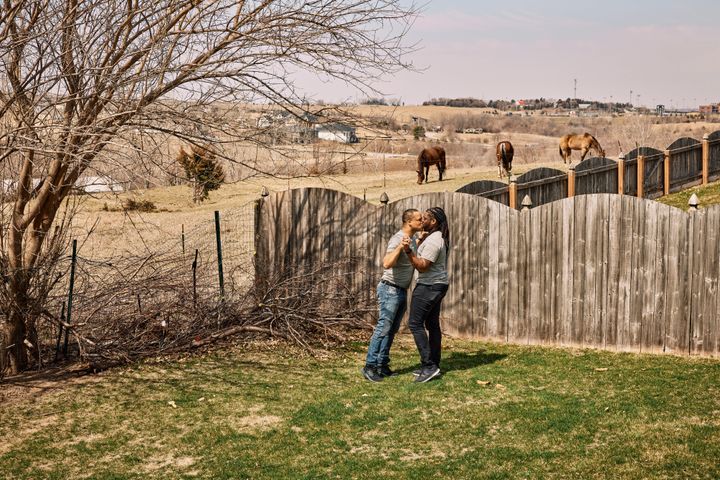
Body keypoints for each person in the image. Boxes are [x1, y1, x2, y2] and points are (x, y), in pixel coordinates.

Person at [362, 208, 423, 382]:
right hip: (390, 289)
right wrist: (400, 247)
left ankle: (382, 365)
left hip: (400, 290)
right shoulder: (398, 238)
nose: (421, 221)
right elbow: (386, 263)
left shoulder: (411, 239)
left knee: (391, 330)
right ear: (409, 222)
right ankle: (369, 366)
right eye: (418, 219)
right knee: (383, 328)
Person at [404, 207, 450, 383]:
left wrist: (408, 250)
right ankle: (434, 365)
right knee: (432, 324)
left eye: (425, 218)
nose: (421, 220)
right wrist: (420, 241)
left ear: (434, 222)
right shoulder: (434, 237)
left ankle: (429, 365)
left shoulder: (434, 241)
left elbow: (423, 266)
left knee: (415, 323)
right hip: (437, 285)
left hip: (429, 287)